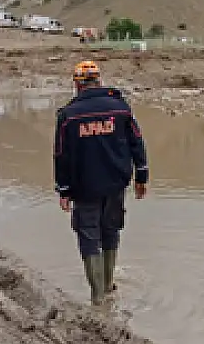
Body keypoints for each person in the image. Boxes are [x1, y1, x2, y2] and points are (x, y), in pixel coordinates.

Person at [53, 60, 149, 306]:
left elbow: (62, 154)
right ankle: (108, 286)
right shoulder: (120, 107)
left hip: (84, 189)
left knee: (89, 238)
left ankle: (97, 297)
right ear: (100, 81)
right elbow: (137, 143)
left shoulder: (68, 115)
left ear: (77, 84)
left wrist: (63, 190)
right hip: (116, 185)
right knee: (111, 232)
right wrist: (142, 176)